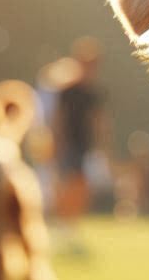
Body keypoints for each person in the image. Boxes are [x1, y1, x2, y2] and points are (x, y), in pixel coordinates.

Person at [40, 37, 109, 244]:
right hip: (68, 144)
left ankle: (71, 225)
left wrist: (102, 146)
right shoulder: (67, 91)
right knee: (68, 184)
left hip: (84, 144)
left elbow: (98, 121)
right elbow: (58, 119)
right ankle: (64, 224)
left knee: (81, 186)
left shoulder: (93, 92)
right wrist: (57, 143)